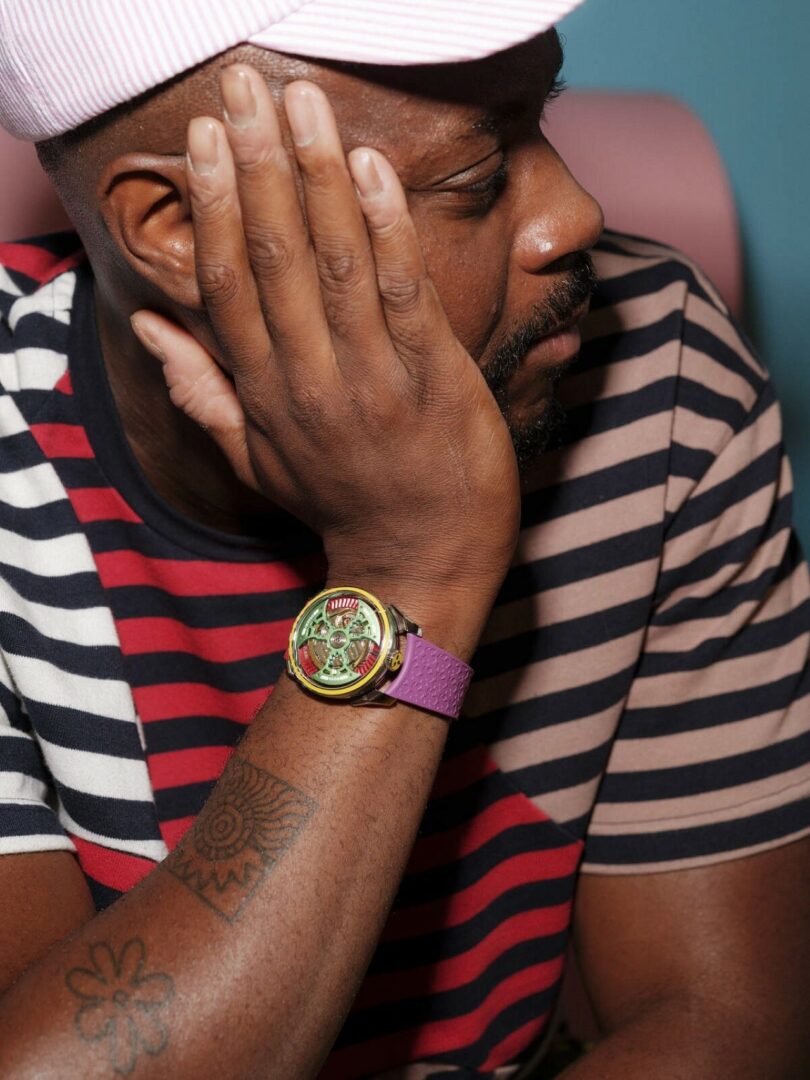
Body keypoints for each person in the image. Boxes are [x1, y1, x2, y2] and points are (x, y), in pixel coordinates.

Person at [0, 1, 808, 1077]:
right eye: (475, 179)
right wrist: (412, 572)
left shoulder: (653, 379)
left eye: (547, 115)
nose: (574, 211)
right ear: (178, 229)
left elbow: (724, 1022)